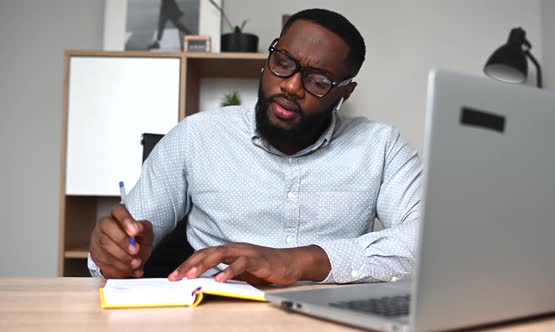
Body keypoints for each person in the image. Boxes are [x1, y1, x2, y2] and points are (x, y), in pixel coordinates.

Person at [89, 8, 422, 285]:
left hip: (330, 318)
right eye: (283, 63)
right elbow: (114, 252)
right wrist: (113, 255)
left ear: (344, 94)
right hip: (214, 314)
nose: (291, 85)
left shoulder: (382, 147)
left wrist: (302, 262)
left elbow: (430, 243)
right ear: (268, 59)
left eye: (318, 81)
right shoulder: (195, 137)